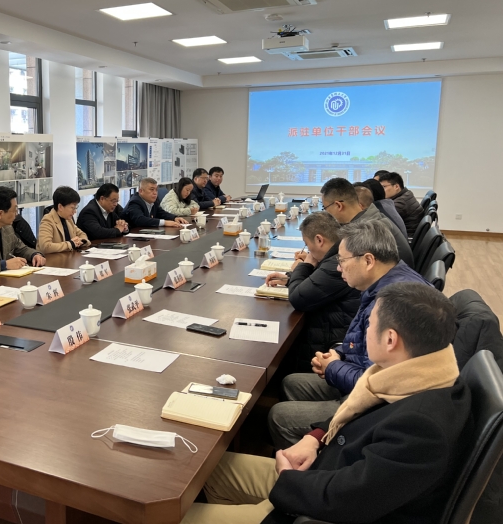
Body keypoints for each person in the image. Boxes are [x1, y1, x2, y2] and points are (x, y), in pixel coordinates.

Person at [183, 283, 470, 524]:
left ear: (390, 339)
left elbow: (349, 499)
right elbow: (357, 417)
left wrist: (288, 477)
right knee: (201, 471)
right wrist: (316, 437)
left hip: (315, 506)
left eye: (370, 324)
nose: (364, 331)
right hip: (321, 470)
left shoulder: (421, 426)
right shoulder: (419, 374)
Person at [267, 220, 430, 449]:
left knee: (279, 416)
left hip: (375, 408)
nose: (338, 268)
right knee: (290, 382)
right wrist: (339, 353)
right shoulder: (382, 283)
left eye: (342, 261)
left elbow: (377, 385)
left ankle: (315, 463)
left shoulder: (393, 305)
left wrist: (333, 367)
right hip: (363, 379)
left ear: (368, 261)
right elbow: (361, 341)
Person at [265, 211, 360, 372]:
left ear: (319, 240)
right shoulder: (340, 250)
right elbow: (318, 281)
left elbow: (298, 298)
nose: (307, 251)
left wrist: (305, 265)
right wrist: (290, 279)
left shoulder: (336, 263)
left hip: (331, 342)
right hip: (334, 327)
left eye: (307, 245)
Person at [319, 177, 414, 268]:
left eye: (325, 208)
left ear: (338, 205)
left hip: (394, 278)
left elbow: (332, 269)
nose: (326, 212)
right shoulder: (374, 216)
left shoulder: (366, 230)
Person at [37, 186, 91, 254]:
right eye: (72, 208)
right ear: (60, 207)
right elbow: (46, 246)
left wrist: (81, 241)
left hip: (68, 257)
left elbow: (81, 234)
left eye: (75, 207)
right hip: (51, 259)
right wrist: (70, 244)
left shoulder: (68, 219)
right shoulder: (48, 220)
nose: (74, 211)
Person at [378, 171, 424, 236]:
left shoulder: (401, 203)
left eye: (384, 187)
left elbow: (380, 220)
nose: (381, 190)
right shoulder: (406, 194)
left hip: (408, 238)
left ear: (396, 186)